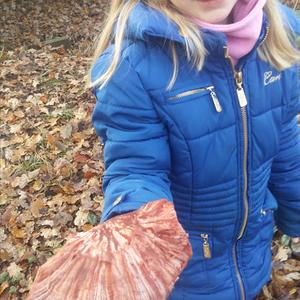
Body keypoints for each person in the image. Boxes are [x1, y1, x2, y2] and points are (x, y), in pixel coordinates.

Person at [86, 0, 300, 299]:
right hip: (189, 275)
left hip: (254, 254)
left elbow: (285, 140)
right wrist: (136, 228)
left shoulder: (277, 36)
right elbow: (136, 167)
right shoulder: (132, 68)